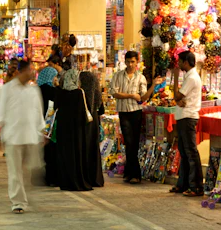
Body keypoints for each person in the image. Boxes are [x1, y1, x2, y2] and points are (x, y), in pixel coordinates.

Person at [0, 60, 45, 214]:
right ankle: (18, 202)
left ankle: (23, 196)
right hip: (13, 137)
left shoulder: (33, 90)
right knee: (15, 172)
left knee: (30, 169)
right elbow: (0, 112)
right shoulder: (7, 89)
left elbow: (38, 112)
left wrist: (41, 131)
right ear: (22, 71)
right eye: (30, 69)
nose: (32, 72)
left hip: (30, 136)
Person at [110, 51, 162, 185]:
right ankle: (134, 173)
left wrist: (154, 85)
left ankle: (131, 172)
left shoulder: (141, 78)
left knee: (133, 143)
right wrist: (132, 96)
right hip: (123, 112)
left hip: (136, 112)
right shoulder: (118, 76)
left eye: (133, 62)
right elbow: (114, 93)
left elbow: (144, 97)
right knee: (128, 141)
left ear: (137, 62)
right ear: (125, 61)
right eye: (128, 61)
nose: (130, 64)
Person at [171, 51, 203, 197]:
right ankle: (183, 184)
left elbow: (177, 95)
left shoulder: (192, 78)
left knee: (190, 152)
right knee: (184, 152)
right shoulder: (189, 76)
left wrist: (175, 78)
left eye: (180, 61)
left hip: (188, 117)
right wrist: (177, 100)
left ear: (186, 62)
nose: (178, 64)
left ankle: (196, 186)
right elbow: (178, 99)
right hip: (182, 117)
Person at [55, 69, 92, 191]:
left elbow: (56, 108)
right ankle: (77, 180)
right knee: (76, 154)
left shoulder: (61, 93)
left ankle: (66, 181)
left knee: (65, 155)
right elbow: (83, 113)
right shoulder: (79, 93)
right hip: (76, 131)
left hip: (63, 130)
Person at [79, 71, 104, 187]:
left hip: (83, 123)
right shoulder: (96, 94)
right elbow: (101, 109)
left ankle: (85, 176)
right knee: (93, 149)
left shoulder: (80, 95)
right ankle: (95, 178)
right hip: (93, 122)